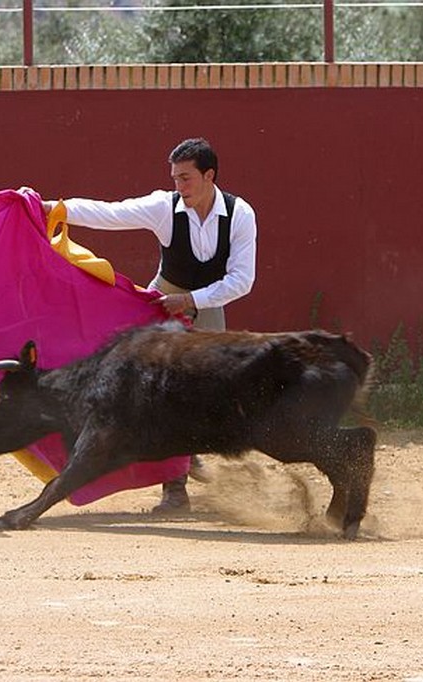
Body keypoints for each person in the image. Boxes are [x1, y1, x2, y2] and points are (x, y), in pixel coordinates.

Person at [42, 137, 258, 512]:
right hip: (163, 301)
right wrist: (52, 209)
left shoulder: (240, 215)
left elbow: (242, 280)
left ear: (210, 176)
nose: (179, 187)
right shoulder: (164, 207)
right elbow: (109, 214)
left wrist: (192, 301)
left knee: (201, 393)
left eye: (186, 178)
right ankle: (175, 488)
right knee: (153, 391)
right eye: (175, 178)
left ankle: (188, 457)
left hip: (208, 301)